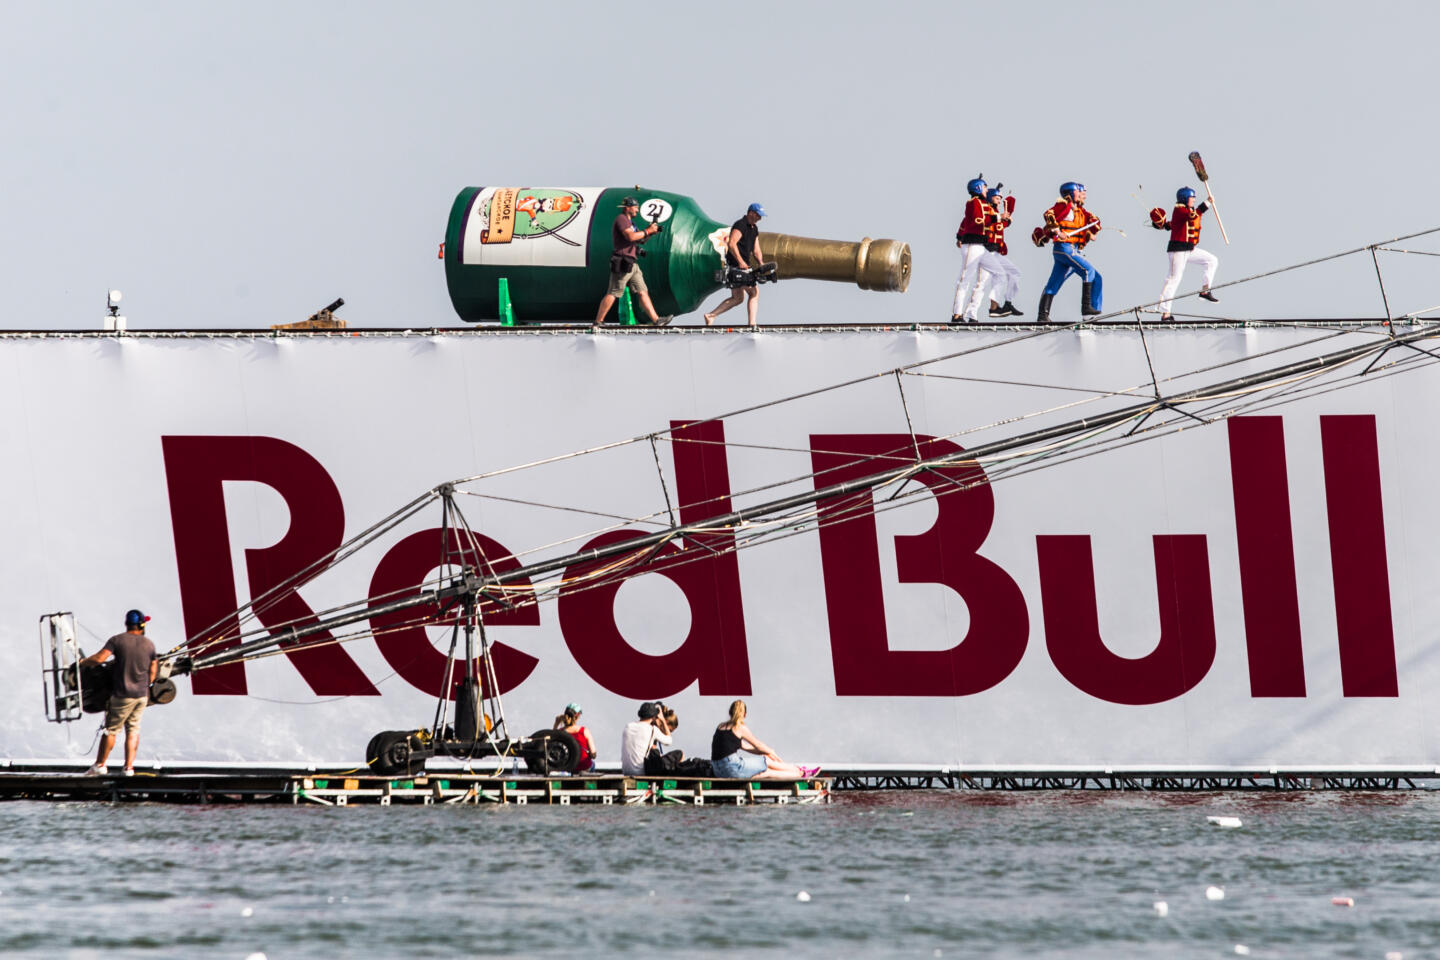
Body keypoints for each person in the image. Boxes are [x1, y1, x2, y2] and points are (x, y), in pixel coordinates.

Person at [80, 609, 158, 776]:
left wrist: (83, 661)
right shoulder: (149, 644)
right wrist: (147, 685)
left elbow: (99, 659)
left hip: (123, 695)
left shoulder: (117, 640)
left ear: (127, 624)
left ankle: (100, 766)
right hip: (142, 696)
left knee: (111, 730)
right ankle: (128, 768)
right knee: (133, 730)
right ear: (142, 625)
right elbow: (153, 671)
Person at [593, 196, 672, 328]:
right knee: (614, 292)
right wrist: (647, 231)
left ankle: (656, 320)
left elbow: (639, 240)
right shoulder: (622, 220)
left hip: (632, 263)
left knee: (642, 291)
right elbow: (630, 236)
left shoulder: (631, 224)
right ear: (627, 208)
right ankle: (598, 321)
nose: (637, 210)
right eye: (635, 207)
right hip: (623, 262)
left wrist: (651, 233)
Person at [1034, 182, 1103, 322]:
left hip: (1070, 249)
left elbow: (1088, 223)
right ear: (1070, 193)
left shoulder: (1079, 211)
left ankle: (1043, 315)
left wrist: (1091, 233)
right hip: (1065, 248)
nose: (1082, 194)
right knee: (1088, 270)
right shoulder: (1063, 205)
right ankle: (1086, 309)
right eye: (1079, 191)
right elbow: (1049, 215)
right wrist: (1058, 232)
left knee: (1055, 282)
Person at [1150, 187, 1220, 321]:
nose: (1194, 199)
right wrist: (1207, 203)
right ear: (1184, 198)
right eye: (1191, 197)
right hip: (1178, 250)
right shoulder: (1180, 210)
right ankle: (1165, 313)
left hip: (1188, 249)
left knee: (1212, 260)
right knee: (1173, 279)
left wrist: (1164, 225)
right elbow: (1193, 215)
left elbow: (1174, 224)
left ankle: (1205, 291)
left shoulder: (1183, 211)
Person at [710, 699, 818, 780]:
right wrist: (771, 751)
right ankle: (800, 772)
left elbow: (748, 748)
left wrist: (765, 753)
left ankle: (798, 772)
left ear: (730, 712)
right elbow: (758, 745)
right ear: (745, 714)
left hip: (718, 771)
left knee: (766, 771)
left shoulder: (721, 727)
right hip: (732, 767)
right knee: (766, 763)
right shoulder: (740, 728)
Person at [704, 203, 767, 327]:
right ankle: (752, 324)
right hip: (736, 267)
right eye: (758, 215)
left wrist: (761, 263)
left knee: (738, 298)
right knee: (754, 293)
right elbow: (732, 244)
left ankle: (711, 315)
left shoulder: (754, 229)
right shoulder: (741, 225)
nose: (760, 218)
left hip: (743, 267)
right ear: (751, 213)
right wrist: (741, 262)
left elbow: (756, 250)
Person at [950, 175, 992, 323]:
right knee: (965, 279)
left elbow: (966, 222)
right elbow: (976, 220)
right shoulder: (973, 203)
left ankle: (971, 313)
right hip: (972, 245)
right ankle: (957, 314)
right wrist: (960, 237)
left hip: (981, 246)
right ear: (979, 188)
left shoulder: (983, 203)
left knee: (987, 278)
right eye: (985, 187)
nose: (987, 190)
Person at [977, 187, 1024, 319]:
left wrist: (1007, 217)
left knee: (1015, 273)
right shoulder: (986, 210)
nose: (999, 200)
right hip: (985, 252)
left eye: (1000, 199)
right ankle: (988, 309)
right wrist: (1003, 218)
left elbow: (1000, 225)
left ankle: (1007, 303)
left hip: (995, 253)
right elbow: (990, 223)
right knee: (982, 284)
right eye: (997, 198)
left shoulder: (996, 212)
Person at [620, 700, 680, 776]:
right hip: (641, 772)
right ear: (654, 716)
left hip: (626, 771)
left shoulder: (628, 726)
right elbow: (669, 741)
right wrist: (662, 720)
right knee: (680, 754)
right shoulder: (652, 730)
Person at [552, 702, 596, 773]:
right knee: (592, 764)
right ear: (578, 716)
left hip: (567, 768)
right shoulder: (584, 731)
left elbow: (551, 743)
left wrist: (556, 724)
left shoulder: (560, 732)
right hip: (584, 767)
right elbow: (593, 754)